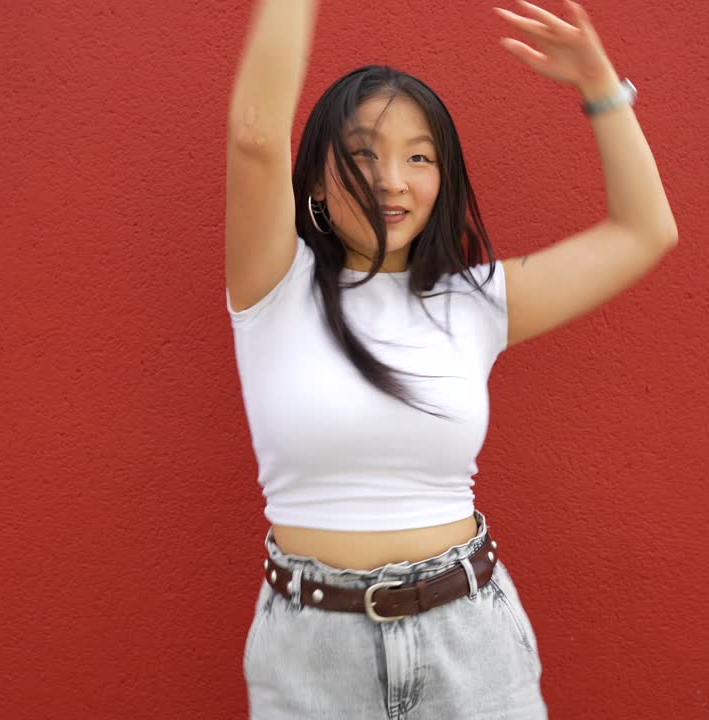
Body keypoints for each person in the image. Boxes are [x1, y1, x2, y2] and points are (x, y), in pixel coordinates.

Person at [224, 1, 677, 716]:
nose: (392, 180)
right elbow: (254, 136)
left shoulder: (476, 303)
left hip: (468, 641)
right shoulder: (271, 290)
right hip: (312, 658)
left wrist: (600, 85)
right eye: (363, 153)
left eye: (419, 157)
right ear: (314, 177)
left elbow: (645, 231)